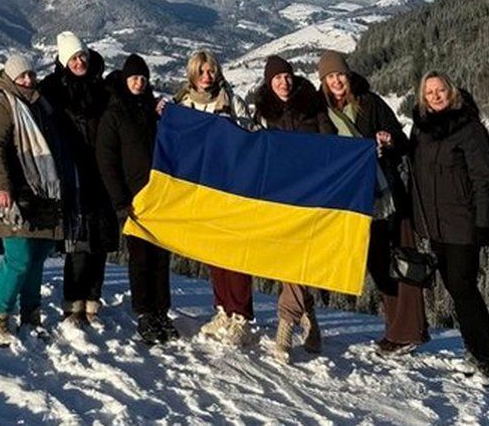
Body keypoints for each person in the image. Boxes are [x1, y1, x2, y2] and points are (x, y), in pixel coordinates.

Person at [317, 50, 428, 356]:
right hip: (353, 200)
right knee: (379, 266)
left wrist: (389, 140)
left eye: (340, 74)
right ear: (323, 81)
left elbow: (402, 142)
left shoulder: (371, 102)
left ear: (348, 75)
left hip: (388, 194)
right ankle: (396, 330)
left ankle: (408, 332)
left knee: (403, 262)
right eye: (330, 76)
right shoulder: (320, 111)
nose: (337, 81)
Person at [409, 71, 489, 386]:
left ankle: (488, 358)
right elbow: (411, 165)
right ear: (423, 97)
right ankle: (473, 352)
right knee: (454, 287)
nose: (435, 96)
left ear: (452, 92)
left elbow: (484, 179)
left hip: (463, 224)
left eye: (440, 90)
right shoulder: (421, 130)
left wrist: (483, 223)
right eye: (429, 92)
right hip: (436, 225)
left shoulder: (469, 128)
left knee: (464, 288)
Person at [0, 54, 74, 346]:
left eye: (31, 75)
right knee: (18, 259)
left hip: (43, 195)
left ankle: (31, 315)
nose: (28, 80)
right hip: (15, 197)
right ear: (10, 77)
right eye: (22, 76)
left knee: (36, 259)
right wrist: (1, 186)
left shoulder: (41, 104)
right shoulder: (2, 107)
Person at [246, 55, 334, 362]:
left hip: (310, 193)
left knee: (296, 259)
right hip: (280, 195)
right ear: (269, 83)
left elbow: (331, 143)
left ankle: (285, 324)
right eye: (277, 78)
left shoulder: (312, 104)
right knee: (290, 259)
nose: (283, 82)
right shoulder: (264, 113)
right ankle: (307, 314)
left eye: (287, 76)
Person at [96, 54, 178, 345]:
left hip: (160, 198)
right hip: (134, 201)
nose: (139, 83)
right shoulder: (114, 115)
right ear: (125, 80)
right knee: (141, 258)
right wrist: (120, 201)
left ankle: (161, 312)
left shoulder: (154, 111)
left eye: (143, 78)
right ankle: (145, 312)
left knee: (160, 257)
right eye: (134, 78)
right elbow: (107, 162)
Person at [174, 49, 254, 346]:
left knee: (236, 252)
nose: (207, 77)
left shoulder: (230, 101)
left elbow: (252, 133)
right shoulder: (182, 103)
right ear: (192, 73)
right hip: (200, 188)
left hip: (231, 187)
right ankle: (222, 309)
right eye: (202, 71)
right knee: (214, 253)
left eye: (211, 71)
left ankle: (241, 316)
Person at [38, 31, 115, 326]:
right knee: (78, 242)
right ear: (63, 61)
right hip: (71, 172)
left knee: (101, 241)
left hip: (102, 171)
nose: (79, 61)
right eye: (73, 58)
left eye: (81, 55)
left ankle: (93, 300)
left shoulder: (102, 87)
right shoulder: (53, 90)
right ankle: (73, 302)